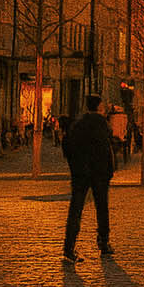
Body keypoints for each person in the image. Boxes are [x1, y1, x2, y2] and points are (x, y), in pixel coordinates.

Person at [62, 94, 115, 262]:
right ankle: (103, 243)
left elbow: (68, 146)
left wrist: (75, 167)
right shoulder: (102, 124)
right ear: (99, 107)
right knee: (102, 208)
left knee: (75, 209)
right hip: (99, 173)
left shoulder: (78, 124)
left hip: (80, 173)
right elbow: (107, 150)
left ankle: (69, 248)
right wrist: (109, 170)